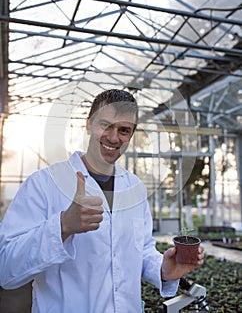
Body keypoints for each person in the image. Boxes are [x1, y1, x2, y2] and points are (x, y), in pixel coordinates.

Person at [0, 89, 204, 313]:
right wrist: (62, 226)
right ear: (88, 125)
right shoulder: (43, 184)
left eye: (124, 130)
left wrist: (164, 268)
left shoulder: (134, 188)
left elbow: (141, 250)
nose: (114, 137)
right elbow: (6, 269)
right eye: (105, 124)